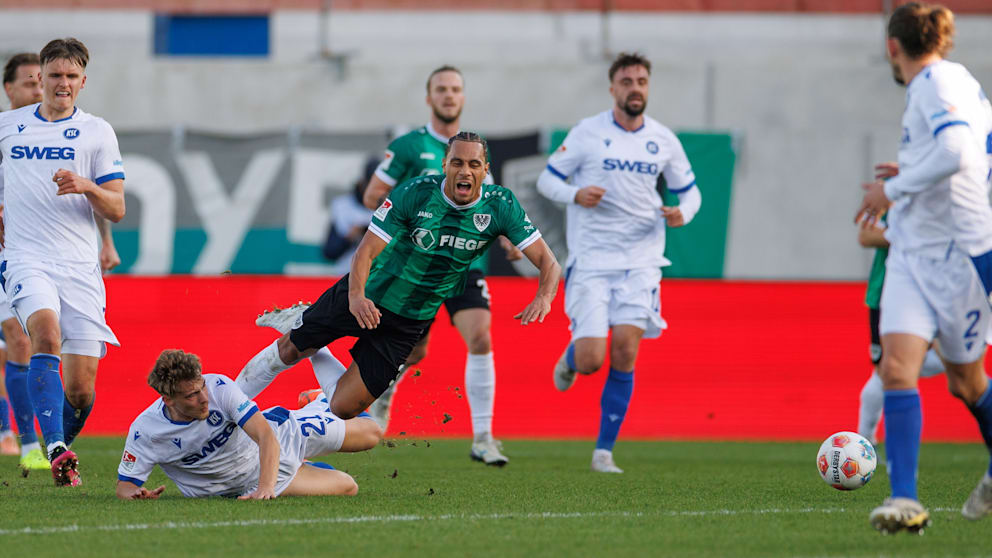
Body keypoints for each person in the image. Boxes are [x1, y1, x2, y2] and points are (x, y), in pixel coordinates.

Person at [235, 133, 560, 444]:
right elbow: (366, 250)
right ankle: (227, 412)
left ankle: (310, 340)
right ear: (445, 164)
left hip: (410, 321)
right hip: (369, 294)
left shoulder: (500, 205)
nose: (465, 171)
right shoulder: (415, 193)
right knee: (291, 349)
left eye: (474, 165)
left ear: (485, 171)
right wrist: (357, 296)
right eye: (457, 163)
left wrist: (544, 296)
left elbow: (549, 263)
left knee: (343, 408)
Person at [854, 2, 992, 533]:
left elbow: (958, 150)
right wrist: (913, 169)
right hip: (913, 254)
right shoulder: (957, 81)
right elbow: (975, 151)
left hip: (959, 256)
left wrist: (892, 187)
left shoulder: (935, 84)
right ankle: (905, 499)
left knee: (967, 382)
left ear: (892, 47)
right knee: (895, 369)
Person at [536, 52, 702, 474]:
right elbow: (546, 179)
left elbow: (690, 191)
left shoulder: (664, 139)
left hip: (642, 262)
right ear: (613, 88)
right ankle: (570, 359)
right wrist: (576, 194)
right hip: (592, 261)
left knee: (626, 350)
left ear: (648, 87)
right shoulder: (588, 132)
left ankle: (604, 452)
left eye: (641, 81)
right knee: (593, 358)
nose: (635, 88)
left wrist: (685, 213)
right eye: (627, 81)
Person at [361, 66, 522, 466]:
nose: (449, 96)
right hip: (417, 268)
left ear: (463, 98)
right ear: (429, 97)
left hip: (465, 263)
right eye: (441, 90)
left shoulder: (475, 150)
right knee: (415, 352)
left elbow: (492, 202)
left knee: (481, 337)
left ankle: (484, 437)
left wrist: (505, 236)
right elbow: (372, 196)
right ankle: (385, 392)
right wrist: (411, 213)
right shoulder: (408, 147)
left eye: (455, 90)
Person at [0, 38, 126, 486]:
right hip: (24, 257)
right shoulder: (8, 126)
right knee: (43, 334)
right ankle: (51, 447)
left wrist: (88, 186)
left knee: (81, 388)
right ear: (41, 79)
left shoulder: (97, 131)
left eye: (72, 77)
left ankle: (60, 446)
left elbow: (117, 208)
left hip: (79, 267)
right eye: (54, 76)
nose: (63, 84)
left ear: (83, 82)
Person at [116, 349, 379, 500]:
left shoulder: (219, 387)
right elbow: (125, 485)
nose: (204, 398)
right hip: (244, 484)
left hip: (278, 442)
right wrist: (137, 495)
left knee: (371, 434)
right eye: (191, 395)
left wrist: (266, 489)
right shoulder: (146, 432)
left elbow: (265, 437)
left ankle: (318, 394)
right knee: (347, 487)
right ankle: (305, 466)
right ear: (168, 400)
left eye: (201, 388)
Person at [855, 172, 945, 445]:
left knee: (955, 361)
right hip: (886, 294)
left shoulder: (941, 200)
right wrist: (909, 238)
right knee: (885, 371)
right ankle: (864, 441)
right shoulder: (894, 197)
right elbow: (866, 235)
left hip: (934, 292)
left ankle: (906, 366)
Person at [322, 157, 376, 275]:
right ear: (362, 183)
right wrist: (350, 237)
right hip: (345, 276)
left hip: (376, 278)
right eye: (371, 184)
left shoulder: (391, 208)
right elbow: (329, 252)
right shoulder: (342, 206)